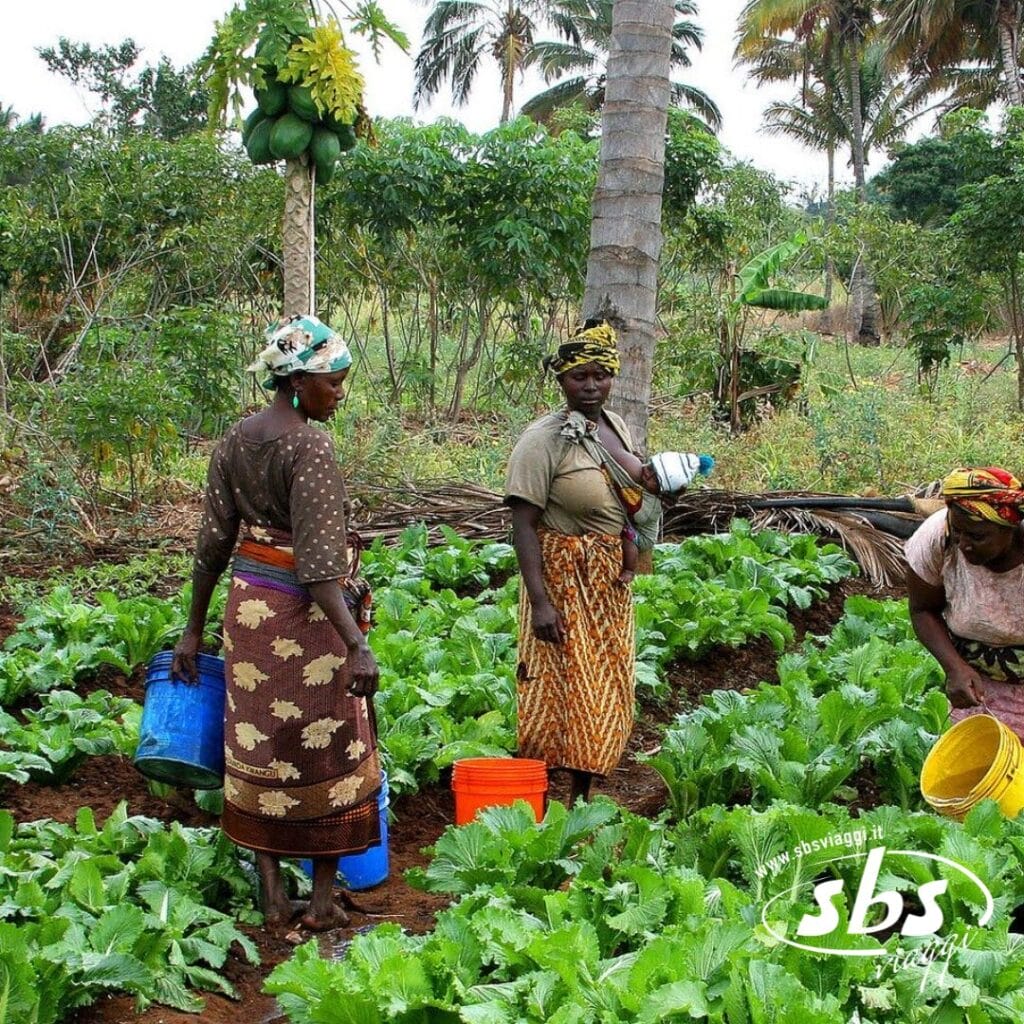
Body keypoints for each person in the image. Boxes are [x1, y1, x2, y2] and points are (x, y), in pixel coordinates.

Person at [171, 314, 381, 933]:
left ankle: (270, 896)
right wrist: (356, 644)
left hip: (250, 614)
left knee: (259, 744)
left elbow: (213, 544)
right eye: (334, 383)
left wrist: (192, 630)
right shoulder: (309, 445)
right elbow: (318, 568)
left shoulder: (237, 438)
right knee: (326, 750)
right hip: (307, 618)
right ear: (297, 382)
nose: (340, 394)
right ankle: (318, 904)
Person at [504, 320, 642, 803]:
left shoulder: (614, 426)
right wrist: (540, 601)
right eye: (579, 376)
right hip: (562, 578)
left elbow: (632, 489)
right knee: (555, 688)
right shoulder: (542, 441)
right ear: (561, 381)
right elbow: (523, 525)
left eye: (600, 375)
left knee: (602, 683)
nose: (590, 385)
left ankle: (580, 797)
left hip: (606, 581)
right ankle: (538, 798)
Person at [905, 466, 1024, 739]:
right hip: (979, 684)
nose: (963, 544)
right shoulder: (936, 538)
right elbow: (923, 609)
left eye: (977, 536)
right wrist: (954, 667)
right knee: (982, 763)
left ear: (1010, 527)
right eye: (958, 531)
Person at [615, 451, 715, 586]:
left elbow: (635, 515)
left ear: (662, 490)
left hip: (643, 537)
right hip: (638, 525)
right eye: (650, 467)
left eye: (655, 479)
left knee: (628, 536)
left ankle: (629, 570)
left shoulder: (651, 507)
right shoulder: (646, 485)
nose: (647, 474)